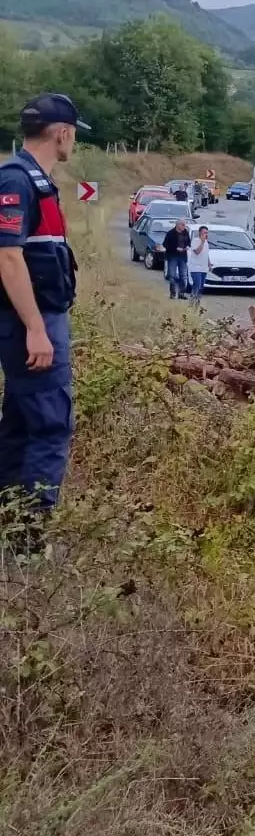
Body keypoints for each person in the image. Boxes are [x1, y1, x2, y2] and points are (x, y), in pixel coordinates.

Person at [0, 92, 89, 532]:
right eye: (74, 135)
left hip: (35, 319)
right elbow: (8, 258)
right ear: (62, 133)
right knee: (51, 426)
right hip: (30, 324)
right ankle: (28, 537)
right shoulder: (17, 181)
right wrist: (36, 328)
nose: (74, 143)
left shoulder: (34, 179)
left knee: (20, 421)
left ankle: (9, 518)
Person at [162, 217, 190, 300]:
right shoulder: (170, 233)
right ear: (177, 225)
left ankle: (181, 293)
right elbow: (165, 245)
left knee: (183, 276)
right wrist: (175, 248)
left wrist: (188, 246)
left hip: (183, 257)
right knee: (172, 276)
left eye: (184, 225)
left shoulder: (185, 232)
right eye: (182, 225)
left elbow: (188, 241)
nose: (184, 226)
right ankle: (173, 293)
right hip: (172, 256)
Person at [189, 225, 211, 305]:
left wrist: (209, 264)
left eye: (207, 233)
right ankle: (191, 303)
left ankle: (197, 304)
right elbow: (197, 252)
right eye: (204, 233)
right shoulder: (195, 241)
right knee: (197, 285)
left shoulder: (206, 243)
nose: (206, 234)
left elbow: (206, 254)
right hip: (196, 268)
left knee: (201, 288)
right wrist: (202, 242)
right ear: (200, 233)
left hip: (204, 268)